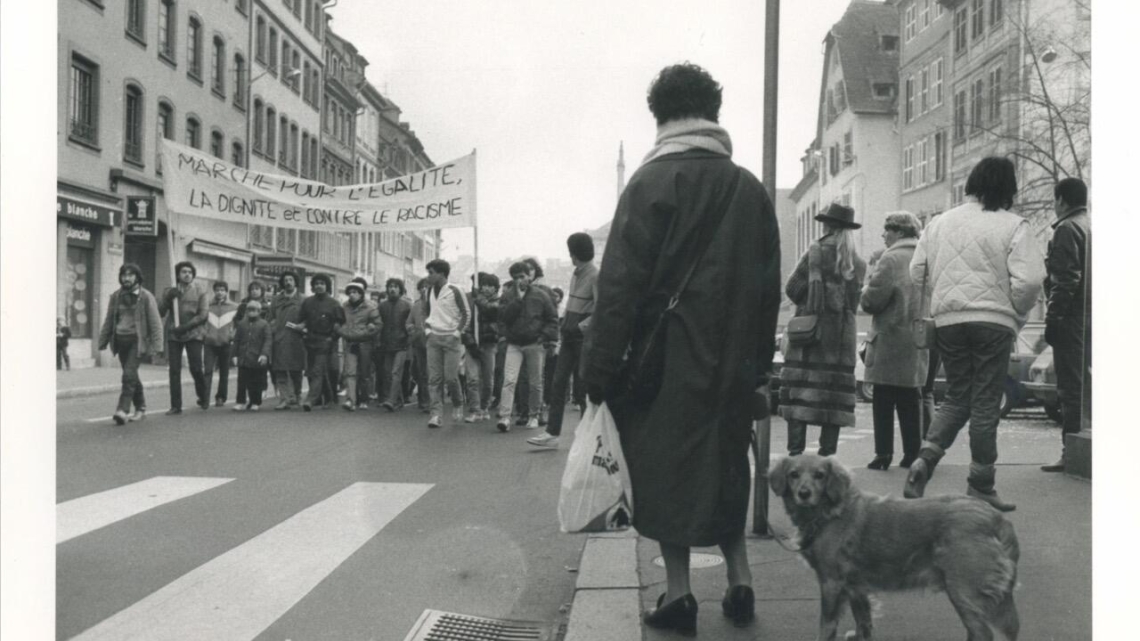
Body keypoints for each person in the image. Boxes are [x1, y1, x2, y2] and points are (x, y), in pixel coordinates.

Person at [582, 63, 781, 634]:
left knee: (668, 472)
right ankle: (740, 578)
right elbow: (768, 290)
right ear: (713, 113)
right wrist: (758, 370)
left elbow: (617, 289)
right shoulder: (748, 188)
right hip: (733, 362)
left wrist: (599, 372)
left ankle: (679, 594)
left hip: (664, 361)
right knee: (724, 466)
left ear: (660, 117)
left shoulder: (648, 184)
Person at [903, 157, 1045, 512]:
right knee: (984, 402)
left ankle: (924, 460)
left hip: (949, 321)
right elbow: (1029, 280)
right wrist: (1016, 310)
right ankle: (981, 483)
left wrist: (945, 296)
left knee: (956, 397)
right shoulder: (1015, 225)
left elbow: (916, 270)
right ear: (1008, 187)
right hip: (993, 322)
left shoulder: (939, 223)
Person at [780, 203, 867, 457]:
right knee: (833, 398)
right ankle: (827, 457)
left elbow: (792, 288)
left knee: (799, 394)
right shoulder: (858, 264)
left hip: (810, 336)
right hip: (840, 342)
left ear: (827, 225)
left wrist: (811, 300)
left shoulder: (815, 251)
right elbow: (854, 303)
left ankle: (795, 455)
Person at [860, 212, 929, 470]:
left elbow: (871, 301)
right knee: (911, 399)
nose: (883, 235)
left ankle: (883, 454)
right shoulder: (925, 256)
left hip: (890, 338)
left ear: (899, 232)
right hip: (918, 339)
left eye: (886, 230)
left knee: (883, 399)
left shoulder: (889, 259)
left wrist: (867, 285)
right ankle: (912, 453)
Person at [529, 232, 598, 449]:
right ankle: (552, 432)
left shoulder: (596, 275)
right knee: (558, 383)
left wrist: (581, 326)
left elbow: (603, 308)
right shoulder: (576, 274)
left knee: (582, 388)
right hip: (568, 337)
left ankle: (588, 436)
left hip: (582, 339)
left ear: (574, 253)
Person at [1041, 177, 1091, 472]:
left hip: (1072, 319)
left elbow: (1065, 278)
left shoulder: (1066, 229)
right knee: (1086, 385)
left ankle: (1071, 452)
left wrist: (1053, 318)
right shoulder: (1090, 225)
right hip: (1093, 317)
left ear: (1061, 200)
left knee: (1071, 387)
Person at [97, 263, 164, 424]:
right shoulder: (116, 296)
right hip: (121, 342)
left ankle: (122, 410)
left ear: (137, 277)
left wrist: (157, 346)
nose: (126, 278)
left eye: (130, 275)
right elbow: (109, 320)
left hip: (137, 342)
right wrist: (103, 340)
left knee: (128, 375)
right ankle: (141, 407)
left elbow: (155, 323)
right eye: (124, 275)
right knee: (131, 376)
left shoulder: (146, 296)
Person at [496, 261, 558, 432]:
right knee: (509, 381)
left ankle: (534, 415)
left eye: (522, 277)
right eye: (515, 278)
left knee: (535, 382)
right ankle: (505, 416)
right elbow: (503, 317)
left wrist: (545, 336)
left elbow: (552, 318)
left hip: (534, 343)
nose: (519, 281)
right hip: (514, 343)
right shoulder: (508, 295)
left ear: (529, 276)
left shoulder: (541, 295)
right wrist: (518, 300)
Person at [158, 261, 211, 414]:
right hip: (174, 334)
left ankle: (203, 395)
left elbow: (203, 315)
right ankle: (176, 405)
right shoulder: (169, 290)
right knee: (174, 370)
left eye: (189, 272)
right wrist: (168, 298)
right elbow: (160, 312)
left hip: (194, 333)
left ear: (193, 275)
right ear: (178, 275)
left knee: (195, 368)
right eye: (183, 272)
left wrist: (185, 327)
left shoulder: (201, 291)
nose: (187, 274)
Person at [423, 259, 470, 427]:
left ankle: (458, 403)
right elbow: (426, 313)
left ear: (441, 274)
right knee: (434, 378)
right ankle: (435, 415)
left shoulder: (455, 290)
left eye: (431, 273)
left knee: (451, 378)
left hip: (451, 339)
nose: (428, 276)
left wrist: (456, 333)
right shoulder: (427, 291)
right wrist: (428, 330)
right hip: (434, 338)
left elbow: (466, 313)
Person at [296, 273, 346, 411]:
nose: (319, 286)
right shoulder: (307, 302)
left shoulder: (334, 304)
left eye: (322, 283)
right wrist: (302, 328)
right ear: (312, 286)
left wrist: (332, 338)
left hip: (326, 341)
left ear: (327, 286)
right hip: (310, 341)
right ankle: (329, 398)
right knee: (313, 371)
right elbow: (302, 319)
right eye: (316, 283)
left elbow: (340, 323)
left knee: (318, 370)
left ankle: (310, 400)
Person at [463, 272, 501, 422]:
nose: (486, 288)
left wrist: (479, 299)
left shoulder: (499, 302)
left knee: (487, 379)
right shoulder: (468, 301)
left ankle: (484, 407)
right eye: (483, 285)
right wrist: (470, 341)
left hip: (489, 344)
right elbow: (464, 322)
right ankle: (474, 409)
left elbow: (492, 311)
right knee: (472, 378)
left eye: (490, 286)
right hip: (471, 343)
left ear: (496, 288)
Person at [339, 279, 381, 411]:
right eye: (350, 292)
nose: (352, 294)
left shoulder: (370, 308)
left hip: (365, 343)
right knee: (350, 372)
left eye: (355, 292)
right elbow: (338, 322)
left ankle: (364, 399)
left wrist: (370, 329)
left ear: (361, 294)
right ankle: (351, 400)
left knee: (364, 373)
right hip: (350, 342)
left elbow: (378, 324)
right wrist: (343, 332)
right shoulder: (344, 307)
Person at [268, 271, 306, 410]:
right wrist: (273, 327)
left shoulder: (303, 299)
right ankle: (284, 399)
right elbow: (270, 318)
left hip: (296, 339)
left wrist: (301, 327)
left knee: (296, 370)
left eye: (291, 280)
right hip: (279, 339)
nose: (288, 282)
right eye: (285, 280)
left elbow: (307, 319)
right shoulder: (276, 300)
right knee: (280, 370)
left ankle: (297, 395)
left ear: (295, 282)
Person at [377, 278, 413, 412]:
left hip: (402, 344)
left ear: (400, 289)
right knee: (387, 373)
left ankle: (391, 400)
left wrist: (409, 339)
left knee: (395, 372)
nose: (392, 289)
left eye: (395, 287)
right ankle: (399, 400)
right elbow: (378, 324)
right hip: (386, 345)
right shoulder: (382, 306)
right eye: (390, 286)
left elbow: (411, 324)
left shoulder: (407, 305)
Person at [203, 281, 239, 407]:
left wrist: (232, 335)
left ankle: (221, 397)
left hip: (226, 343)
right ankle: (204, 398)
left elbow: (238, 325)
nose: (220, 292)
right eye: (217, 290)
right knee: (207, 370)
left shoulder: (234, 307)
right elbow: (202, 322)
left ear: (226, 292)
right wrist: (205, 334)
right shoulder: (207, 306)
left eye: (222, 290)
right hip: (209, 342)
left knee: (224, 372)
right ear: (214, 291)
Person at [232, 300, 273, 411]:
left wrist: (264, 354)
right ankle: (240, 401)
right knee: (241, 381)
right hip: (244, 358)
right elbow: (236, 340)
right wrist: (234, 355)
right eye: (249, 309)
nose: (251, 312)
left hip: (257, 358)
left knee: (256, 382)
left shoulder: (264, 324)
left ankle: (255, 402)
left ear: (259, 311)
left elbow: (267, 341)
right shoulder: (241, 324)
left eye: (254, 310)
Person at [407, 278, 432, 412]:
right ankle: (423, 400)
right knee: (421, 373)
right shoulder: (416, 305)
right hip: (419, 343)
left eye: (427, 287)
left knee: (432, 373)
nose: (424, 289)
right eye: (422, 287)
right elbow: (409, 322)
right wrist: (411, 329)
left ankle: (432, 401)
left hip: (434, 342)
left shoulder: (437, 304)